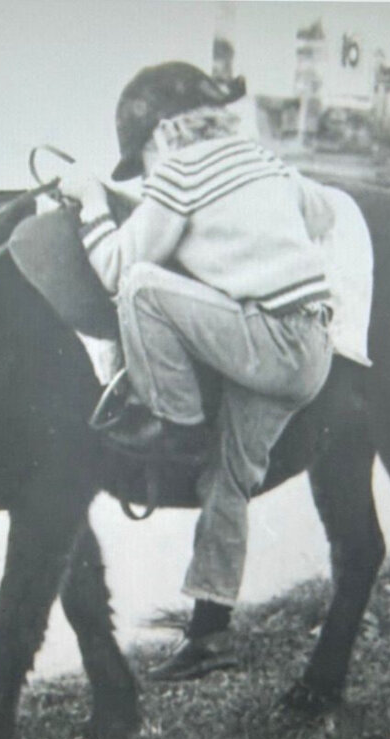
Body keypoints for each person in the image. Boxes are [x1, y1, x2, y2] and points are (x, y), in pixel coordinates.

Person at [60, 62, 338, 681]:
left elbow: (118, 269)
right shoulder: (263, 160)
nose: (147, 171)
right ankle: (209, 635)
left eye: (143, 158)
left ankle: (177, 424)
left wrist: (91, 203)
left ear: (162, 133)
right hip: (311, 346)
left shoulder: (179, 171)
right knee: (227, 480)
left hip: (267, 341)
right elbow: (324, 215)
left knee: (142, 285)